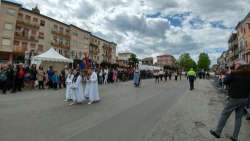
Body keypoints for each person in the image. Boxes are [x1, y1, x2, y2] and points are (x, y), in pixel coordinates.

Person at [210, 60, 250, 141]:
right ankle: (235, 137)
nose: (234, 65)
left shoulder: (234, 73)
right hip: (244, 98)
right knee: (238, 118)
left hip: (234, 98)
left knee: (224, 114)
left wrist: (229, 73)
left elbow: (225, 81)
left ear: (239, 65)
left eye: (235, 64)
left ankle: (217, 132)